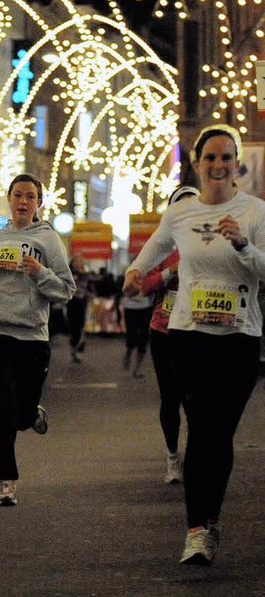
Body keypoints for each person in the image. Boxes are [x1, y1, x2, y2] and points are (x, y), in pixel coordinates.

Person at [123, 125, 265, 566]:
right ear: (197, 163)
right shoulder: (180, 213)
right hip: (188, 334)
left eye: (227, 158)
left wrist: (242, 244)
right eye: (211, 158)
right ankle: (197, 531)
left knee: (220, 434)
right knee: (201, 427)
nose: (219, 166)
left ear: (236, 162)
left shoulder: (255, 212)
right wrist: (134, 271)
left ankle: (211, 518)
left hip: (240, 338)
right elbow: (153, 249)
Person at [0, 174, 75, 506]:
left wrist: (40, 272)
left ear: (39, 203)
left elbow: (66, 290)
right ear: (9, 199)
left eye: (30, 196)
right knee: (1, 402)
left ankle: (31, 413)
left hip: (31, 333)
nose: (23, 201)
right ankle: (6, 479)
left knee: (21, 409)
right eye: (18, 195)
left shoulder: (49, 239)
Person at [142, 185, 199, 485]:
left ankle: (196, 455)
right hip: (163, 331)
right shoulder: (162, 245)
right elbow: (143, 284)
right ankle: (172, 456)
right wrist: (169, 272)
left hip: (198, 330)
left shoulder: (210, 242)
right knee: (170, 397)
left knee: (196, 399)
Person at [66, 254, 91, 363]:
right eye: (77, 261)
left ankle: (78, 350)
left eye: (80, 260)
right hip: (72, 303)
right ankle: (74, 350)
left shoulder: (85, 274)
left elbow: (88, 287)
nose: (79, 263)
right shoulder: (70, 273)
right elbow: (69, 287)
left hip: (82, 303)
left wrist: (90, 294)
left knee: (82, 326)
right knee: (73, 327)